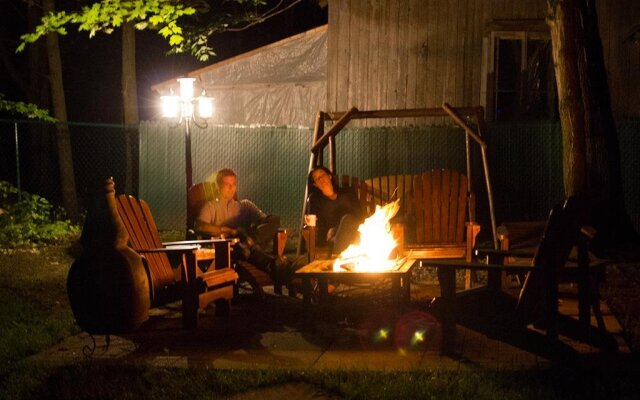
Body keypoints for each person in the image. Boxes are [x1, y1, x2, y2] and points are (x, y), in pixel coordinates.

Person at [195, 168, 290, 281]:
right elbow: (199, 226)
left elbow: (268, 221)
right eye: (227, 184)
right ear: (217, 186)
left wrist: (253, 236)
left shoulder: (245, 205)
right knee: (245, 245)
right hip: (231, 249)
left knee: (275, 219)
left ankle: (250, 241)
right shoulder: (210, 207)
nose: (231, 188)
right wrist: (226, 230)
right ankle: (283, 268)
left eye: (234, 184)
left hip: (250, 244)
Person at [307, 166, 365, 256]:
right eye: (317, 178)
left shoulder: (347, 192)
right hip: (333, 238)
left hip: (355, 229)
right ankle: (338, 256)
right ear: (315, 184)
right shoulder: (315, 199)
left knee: (348, 220)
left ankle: (337, 257)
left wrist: (336, 228)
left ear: (329, 176)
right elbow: (315, 223)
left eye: (322, 175)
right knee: (351, 232)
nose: (321, 179)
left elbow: (359, 215)